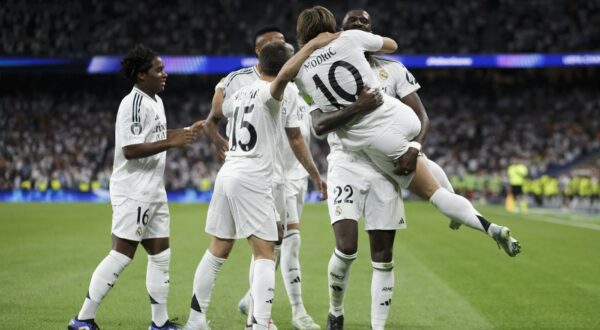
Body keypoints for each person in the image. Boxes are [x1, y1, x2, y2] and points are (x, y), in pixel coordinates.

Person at [290, 5, 521, 328]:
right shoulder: (321, 66)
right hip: (347, 163)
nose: (358, 24)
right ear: (338, 31)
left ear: (369, 30)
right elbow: (318, 123)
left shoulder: (394, 71)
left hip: (386, 165)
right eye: (351, 21)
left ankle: (378, 326)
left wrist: (415, 147)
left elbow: (422, 118)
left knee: (383, 257)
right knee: (345, 249)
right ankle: (336, 312)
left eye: (363, 21)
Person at [182, 36, 334, 330]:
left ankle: (195, 320)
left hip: (228, 173)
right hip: (254, 177)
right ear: (286, 66)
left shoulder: (240, 94)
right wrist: (316, 175)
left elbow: (217, 115)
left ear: (259, 63)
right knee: (266, 253)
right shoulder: (283, 93)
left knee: (218, 248)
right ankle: (259, 323)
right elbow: (294, 137)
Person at [68, 44, 202, 330]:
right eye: (159, 70)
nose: (165, 74)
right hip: (134, 190)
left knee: (161, 256)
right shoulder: (134, 103)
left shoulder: (156, 100)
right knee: (121, 254)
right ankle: (82, 318)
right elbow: (130, 149)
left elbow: (153, 135)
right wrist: (171, 142)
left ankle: (160, 323)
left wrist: (182, 133)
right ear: (142, 75)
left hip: (154, 190)